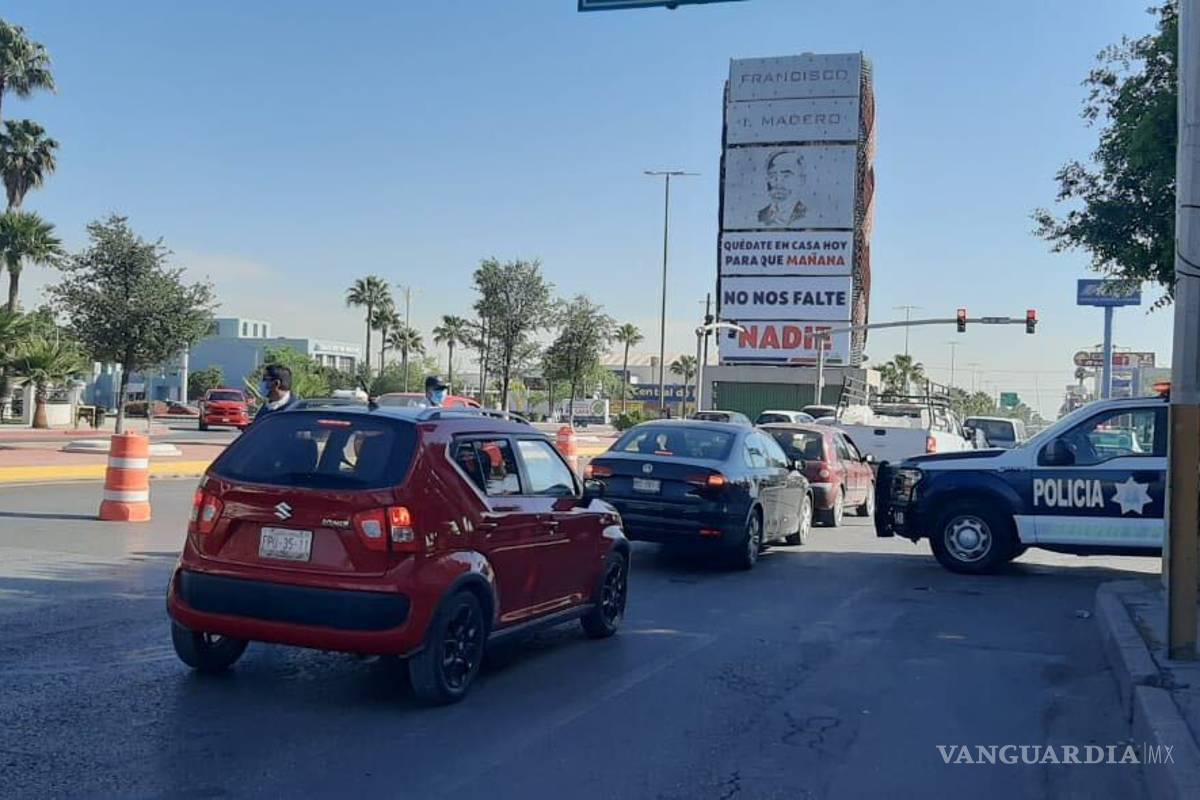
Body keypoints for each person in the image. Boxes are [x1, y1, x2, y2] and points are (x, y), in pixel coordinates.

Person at [757, 149, 808, 227]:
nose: (778, 182)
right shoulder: (760, 217)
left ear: (801, 180)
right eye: (772, 175)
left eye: (786, 176)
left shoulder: (808, 216)